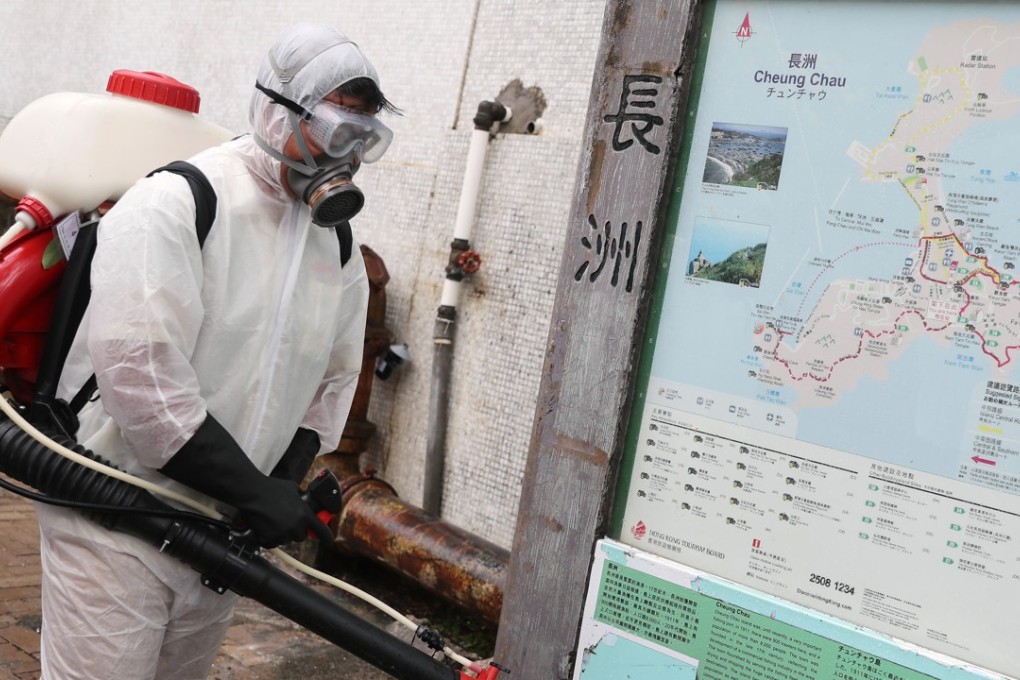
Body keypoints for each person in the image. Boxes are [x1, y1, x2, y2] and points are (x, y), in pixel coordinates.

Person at [33, 23, 398, 680]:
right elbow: (138, 377)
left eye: (362, 140)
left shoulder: (336, 246)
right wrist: (254, 491)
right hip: (116, 517)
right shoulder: (179, 201)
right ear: (273, 109)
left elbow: (335, 380)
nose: (344, 156)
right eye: (334, 129)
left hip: (219, 526)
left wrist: (279, 483)